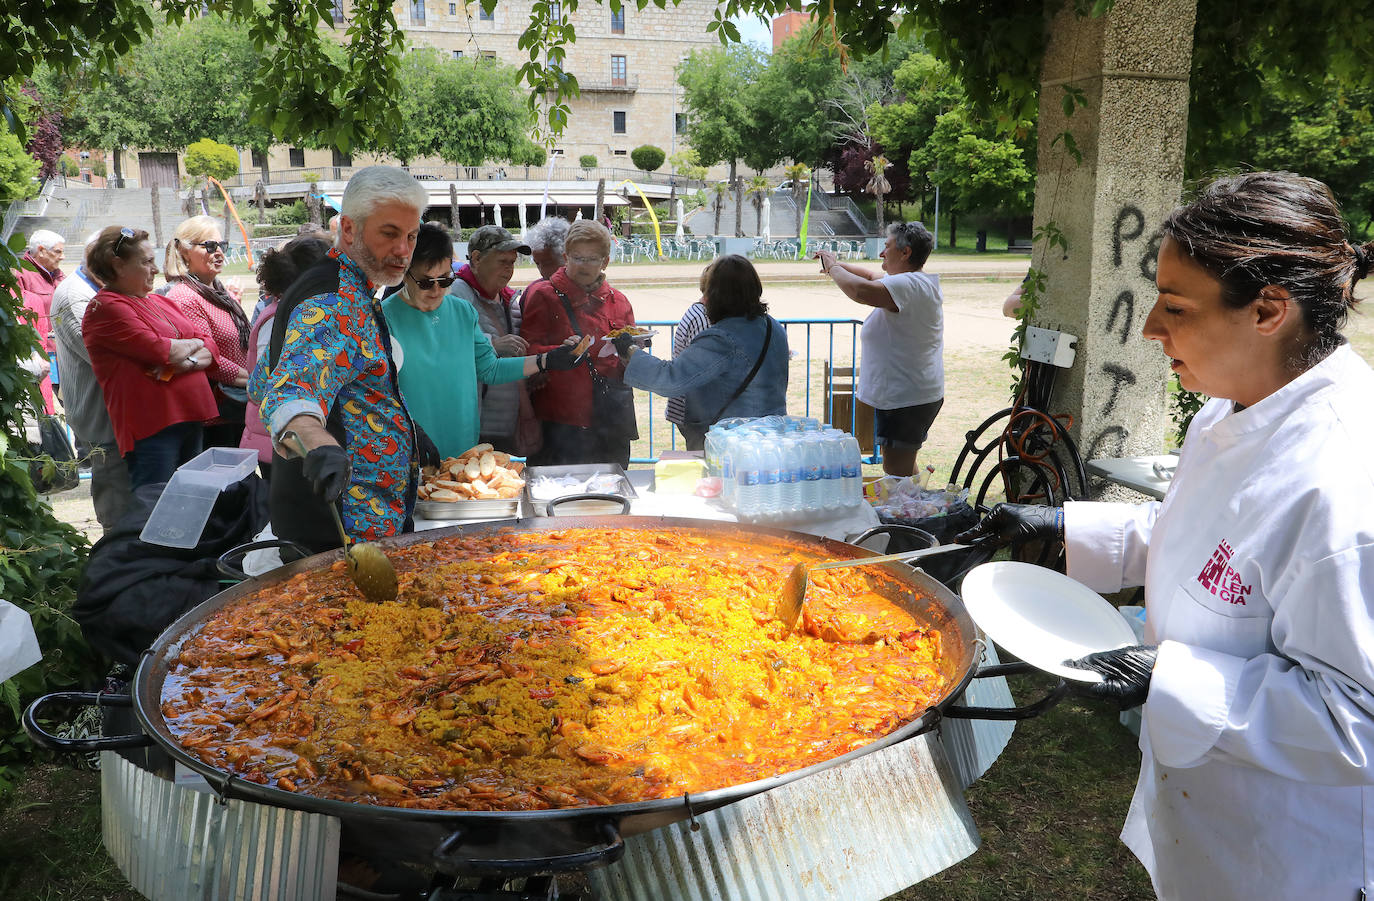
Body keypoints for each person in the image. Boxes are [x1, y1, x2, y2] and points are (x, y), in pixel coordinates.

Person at [956, 171, 1374, 901]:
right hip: (1211, 816)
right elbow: (1203, 535)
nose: (1150, 327)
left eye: (1176, 306)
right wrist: (1060, 525)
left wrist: (1167, 678)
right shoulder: (1233, 405)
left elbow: (1357, 720)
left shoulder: (1344, 482)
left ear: (1268, 310)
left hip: (1292, 858)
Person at [260, 165, 426, 553]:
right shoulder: (334, 299)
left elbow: (264, 377)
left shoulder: (350, 287)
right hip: (340, 533)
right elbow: (288, 393)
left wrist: (406, 428)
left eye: (411, 236)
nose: (404, 251)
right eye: (389, 234)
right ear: (349, 229)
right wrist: (319, 443)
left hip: (363, 526)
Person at [382, 223, 581, 459]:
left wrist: (546, 360)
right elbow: (378, 392)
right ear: (404, 273)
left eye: (445, 280)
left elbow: (490, 369)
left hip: (463, 445)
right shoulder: (384, 318)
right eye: (426, 282)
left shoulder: (462, 311)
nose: (436, 290)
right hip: (409, 448)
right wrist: (410, 430)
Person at [82, 226, 219, 490]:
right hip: (153, 427)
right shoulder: (106, 307)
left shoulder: (159, 301)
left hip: (190, 416)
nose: (155, 269)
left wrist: (185, 362)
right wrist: (194, 344)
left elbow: (211, 346)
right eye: (146, 262)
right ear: (118, 266)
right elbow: (161, 350)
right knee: (157, 503)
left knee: (191, 501)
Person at [815, 221, 944, 477]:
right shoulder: (912, 282)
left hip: (905, 398)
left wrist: (833, 267)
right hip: (910, 394)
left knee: (895, 471)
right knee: (903, 468)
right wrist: (835, 264)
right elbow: (869, 276)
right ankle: (913, 500)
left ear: (905, 252)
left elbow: (861, 291)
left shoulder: (908, 284)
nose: (882, 253)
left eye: (887, 246)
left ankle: (907, 504)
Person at [621, 255, 788, 450]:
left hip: (735, 443)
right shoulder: (774, 327)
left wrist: (630, 350)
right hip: (772, 438)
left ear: (716, 296)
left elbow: (672, 379)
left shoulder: (722, 338)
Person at [521, 219, 637, 467]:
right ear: (565, 257)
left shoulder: (619, 302)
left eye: (592, 258)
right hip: (559, 426)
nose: (583, 265)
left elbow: (628, 366)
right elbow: (527, 352)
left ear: (605, 261)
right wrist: (558, 353)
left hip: (610, 423)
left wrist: (631, 355)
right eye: (577, 258)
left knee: (611, 489)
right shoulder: (544, 296)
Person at [51, 233, 135, 528]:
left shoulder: (100, 290)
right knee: (117, 507)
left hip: (116, 416)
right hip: (101, 420)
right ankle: (115, 549)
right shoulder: (75, 296)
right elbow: (108, 359)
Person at [241, 234, 332, 480]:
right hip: (280, 440)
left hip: (295, 436)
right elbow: (262, 386)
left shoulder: (303, 314)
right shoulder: (278, 318)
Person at [162, 215, 250, 449]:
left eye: (222, 245)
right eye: (210, 246)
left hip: (238, 406)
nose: (219, 252)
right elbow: (208, 358)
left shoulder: (219, 292)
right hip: (217, 417)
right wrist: (253, 380)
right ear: (185, 251)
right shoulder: (184, 297)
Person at [448, 224, 532, 454]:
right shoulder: (456, 294)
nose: (509, 269)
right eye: (502, 262)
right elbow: (447, 347)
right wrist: (492, 344)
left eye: (512, 262)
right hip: (474, 424)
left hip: (506, 422)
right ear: (476, 259)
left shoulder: (509, 299)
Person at [663, 261, 716, 448]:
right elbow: (704, 369)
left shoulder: (700, 313)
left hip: (692, 409)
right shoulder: (704, 319)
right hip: (696, 411)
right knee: (704, 459)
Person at [15, 229, 65, 412]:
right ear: (42, 251)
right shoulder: (21, 274)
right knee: (43, 406)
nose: (63, 257)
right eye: (58, 252)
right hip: (40, 353)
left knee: (69, 404)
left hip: (62, 351)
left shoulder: (58, 275)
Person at [526, 215, 570, 280]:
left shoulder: (584, 284)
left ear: (567, 257)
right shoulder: (536, 286)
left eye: (547, 263)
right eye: (537, 264)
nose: (542, 271)